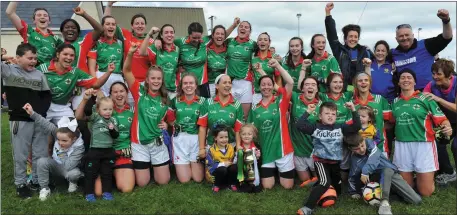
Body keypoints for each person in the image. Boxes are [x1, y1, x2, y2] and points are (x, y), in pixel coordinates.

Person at [389, 69, 453, 197]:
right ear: (399, 83)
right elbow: (391, 122)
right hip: (402, 146)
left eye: (409, 77)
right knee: (407, 189)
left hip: (424, 145)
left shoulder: (425, 99)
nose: (406, 80)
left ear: (414, 82)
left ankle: (423, 176)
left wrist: (448, 127)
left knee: (425, 192)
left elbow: (442, 119)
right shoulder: (395, 103)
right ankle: (413, 174)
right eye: (403, 78)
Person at [1, 43, 52, 199]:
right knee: (21, 154)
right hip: (19, 119)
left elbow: (46, 96)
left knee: (40, 153)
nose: (33, 61)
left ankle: (36, 181)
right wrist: (3, 57)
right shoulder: (8, 70)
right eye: (29, 58)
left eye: (35, 58)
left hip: (38, 119)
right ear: (18, 58)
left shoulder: (39, 74)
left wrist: (39, 113)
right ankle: (21, 184)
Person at [296, 101, 361, 215]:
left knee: (337, 190)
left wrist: (353, 110)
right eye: (327, 113)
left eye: (333, 114)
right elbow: (299, 125)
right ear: (320, 116)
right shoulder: (315, 127)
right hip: (320, 161)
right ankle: (307, 207)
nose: (330, 116)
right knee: (325, 183)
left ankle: (315, 182)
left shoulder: (340, 127)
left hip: (335, 163)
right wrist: (308, 112)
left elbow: (357, 126)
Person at [123, 44, 175, 187]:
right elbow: (126, 70)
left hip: (157, 142)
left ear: (162, 80)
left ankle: (155, 166)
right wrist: (130, 54)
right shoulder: (139, 90)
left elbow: (172, 121)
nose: (156, 81)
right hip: (139, 144)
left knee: (163, 181)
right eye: (153, 78)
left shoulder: (166, 99)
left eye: (159, 79)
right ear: (147, 79)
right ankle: (148, 167)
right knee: (142, 183)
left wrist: (166, 124)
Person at [345, 133, 422, 215]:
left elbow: (374, 156)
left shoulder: (369, 142)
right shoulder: (355, 160)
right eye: (357, 148)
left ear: (364, 140)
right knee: (386, 171)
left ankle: (388, 194)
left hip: (389, 175)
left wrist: (365, 171)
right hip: (375, 179)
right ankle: (384, 203)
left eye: (362, 145)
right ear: (351, 149)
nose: (361, 149)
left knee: (416, 200)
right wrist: (353, 192)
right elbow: (352, 177)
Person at [248, 58, 295, 189]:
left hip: (283, 150)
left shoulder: (280, 102)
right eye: (263, 85)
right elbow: (250, 131)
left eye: (269, 84)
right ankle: (273, 171)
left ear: (273, 86)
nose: (266, 87)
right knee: (267, 187)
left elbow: (290, 82)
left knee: (287, 186)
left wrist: (278, 66)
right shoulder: (255, 108)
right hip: (266, 152)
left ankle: (282, 171)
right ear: (259, 87)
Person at [37, 44, 112, 124]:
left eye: (72, 55)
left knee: (72, 132)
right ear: (58, 55)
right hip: (45, 106)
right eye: (65, 54)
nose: (69, 58)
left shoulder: (75, 72)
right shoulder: (43, 69)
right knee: (41, 133)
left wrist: (109, 72)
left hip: (63, 107)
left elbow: (96, 84)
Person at [23, 103, 84, 201]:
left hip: (67, 169)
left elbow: (68, 166)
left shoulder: (79, 147)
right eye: (58, 139)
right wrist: (32, 113)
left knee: (74, 173)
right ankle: (44, 188)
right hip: (56, 164)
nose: (60, 143)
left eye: (64, 141)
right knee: (42, 161)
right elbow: (45, 123)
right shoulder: (60, 133)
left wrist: (62, 153)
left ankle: (72, 182)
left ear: (74, 139)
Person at [392, 9, 453, 91]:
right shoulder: (393, 53)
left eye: (407, 35)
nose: (404, 38)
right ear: (396, 39)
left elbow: (446, 38)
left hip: (429, 93)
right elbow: (378, 59)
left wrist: (446, 21)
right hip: (407, 95)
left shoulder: (426, 45)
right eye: (401, 36)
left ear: (413, 36)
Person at [75, 88, 119, 202]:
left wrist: (112, 130)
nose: (108, 112)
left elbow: (115, 136)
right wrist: (91, 98)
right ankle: (89, 194)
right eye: (105, 109)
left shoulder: (113, 120)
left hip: (108, 151)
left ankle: (107, 192)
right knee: (90, 173)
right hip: (95, 150)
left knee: (107, 173)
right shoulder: (95, 118)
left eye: (110, 109)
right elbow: (88, 111)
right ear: (98, 110)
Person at [94, 82, 135, 196]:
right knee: (98, 192)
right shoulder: (105, 110)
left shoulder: (133, 111)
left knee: (126, 189)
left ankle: (116, 175)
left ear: (127, 93)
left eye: (122, 91)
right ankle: (108, 175)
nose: (119, 94)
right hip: (105, 154)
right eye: (115, 92)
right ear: (110, 94)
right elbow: (80, 117)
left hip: (123, 154)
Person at [324, 2, 373, 92]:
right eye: (350, 36)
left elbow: (379, 60)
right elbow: (332, 35)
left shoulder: (365, 51)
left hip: (360, 91)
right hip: (342, 90)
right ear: (345, 38)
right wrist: (328, 14)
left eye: (355, 37)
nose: (353, 39)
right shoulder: (339, 50)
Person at [423, 59, 457, 185]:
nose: (435, 77)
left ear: (449, 75)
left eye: (439, 74)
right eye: (433, 73)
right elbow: (422, 98)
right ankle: (448, 173)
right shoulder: (431, 85)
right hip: (447, 122)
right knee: (438, 143)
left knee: (455, 146)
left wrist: (439, 99)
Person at [105, 2, 157, 83]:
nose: (140, 26)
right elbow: (106, 23)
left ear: (145, 26)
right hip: (128, 80)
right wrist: (109, 5)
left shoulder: (151, 40)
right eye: (137, 23)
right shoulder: (126, 35)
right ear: (132, 26)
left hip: (146, 81)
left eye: (142, 24)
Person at [169, 73, 206, 183]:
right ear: (181, 86)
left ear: (196, 85)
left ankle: (192, 163)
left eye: (191, 83)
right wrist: (174, 124)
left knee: (198, 179)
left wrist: (202, 147)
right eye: (185, 83)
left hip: (196, 138)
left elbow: (204, 125)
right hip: (180, 139)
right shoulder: (175, 100)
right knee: (184, 180)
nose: (188, 86)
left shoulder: (203, 101)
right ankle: (186, 164)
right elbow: (170, 119)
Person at [197, 74, 244, 158]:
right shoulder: (208, 103)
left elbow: (238, 129)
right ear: (217, 86)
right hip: (211, 146)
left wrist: (238, 146)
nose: (228, 85)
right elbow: (202, 127)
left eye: (229, 83)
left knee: (230, 170)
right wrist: (201, 148)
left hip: (230, 146)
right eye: (224, 82)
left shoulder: (237, 105)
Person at [6, 2, 63, 66]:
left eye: (45, 15)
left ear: (49, 21)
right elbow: (10, 13)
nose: (42, 17)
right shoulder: (29, 32)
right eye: (39, 15)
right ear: (34, 20)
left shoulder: (56, 39)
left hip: (49, 73)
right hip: (30, 72)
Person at [289, 76, 320, 187]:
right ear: (302, 89)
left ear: (317, 89)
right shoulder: (295, 97)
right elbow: (277, 87)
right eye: (307, 84)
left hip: (314, 150)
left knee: (320, 179)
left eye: (313, 85)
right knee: (305, 180)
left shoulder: (321, 104)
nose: (310, 86)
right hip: (298, 150)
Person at [352, 72, 391, 157]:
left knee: (380, 170)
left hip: (380, 146)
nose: (363, 82)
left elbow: (389, 122)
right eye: (360, 80)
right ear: (356, 84)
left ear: (370, 84)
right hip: (359, 148)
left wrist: (377, 132)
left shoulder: (380, 100)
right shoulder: (352, 103)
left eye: (366, 80)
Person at [87, 15, 124, 98]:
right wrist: (97, 88)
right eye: (107, 24)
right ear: (102, 26)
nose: (111, 26)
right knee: (103, 108)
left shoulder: (120, 43)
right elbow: (91, 68)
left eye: (113, 24)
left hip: (117, 78)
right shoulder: (96, 43)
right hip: (101, 78)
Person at [138, 25, 179, 99]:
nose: (169, 35)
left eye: (171, 32)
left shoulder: (178, 49)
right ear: (161, 35)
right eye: (166, 32)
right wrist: (149, 34)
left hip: (173, 90)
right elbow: (141, 52)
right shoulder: (157, 47)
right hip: (158, 89)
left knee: (171, 110)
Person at [226, 20, 256, 119]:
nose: (243, 28)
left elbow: (264, 52)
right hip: (230, 82)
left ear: (250, 32)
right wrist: (234, 25)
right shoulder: (230, 41)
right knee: (230, 114)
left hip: (245, 83)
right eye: (241, 26)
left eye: (246, 27)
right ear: (238, 29)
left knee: (244, 116)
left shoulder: (253, 44)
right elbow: (219, 37)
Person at [251, 32, 282, 105]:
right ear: (257, 42)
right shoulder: (253, 59)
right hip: (257, 94)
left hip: (271, 94)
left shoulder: (274, 59)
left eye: (265, 40)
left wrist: (278, 94)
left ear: (269, 43)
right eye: (260, 39)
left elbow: (278, 78)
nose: (262, 41)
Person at [205, 124, 238, 193]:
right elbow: (210, 165)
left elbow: (232, 161)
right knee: (222, 169)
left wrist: (237, 157)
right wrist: (222, 164)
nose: (224, 139)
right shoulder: (211, 150)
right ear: (215, 138)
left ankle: (231, 184)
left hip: (227, 173)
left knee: (234, 167)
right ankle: (216, 185)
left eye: (226, 137)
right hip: (217, 174)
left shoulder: (230, 148)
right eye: (221, 137)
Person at [235, 123, 262, 193]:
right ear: (240, 135)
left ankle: (254, 183)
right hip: (241, 172)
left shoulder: (256, 147)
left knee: (257, 189)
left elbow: (258, 163)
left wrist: (258, 156)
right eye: (244, 134)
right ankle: (242, 184)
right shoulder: (237, 147)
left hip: (252, 171)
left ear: (253, 135)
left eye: (249, 134)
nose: (246, 136)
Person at [207, 25, 229, 98]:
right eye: (217, 33)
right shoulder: (206, 48)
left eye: (222, 34)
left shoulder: (228, 50)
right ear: (212, 35)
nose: (220, 36)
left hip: (222, 86)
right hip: (207, 86)